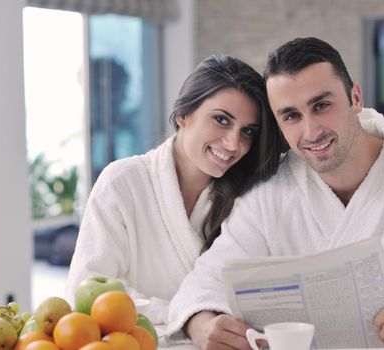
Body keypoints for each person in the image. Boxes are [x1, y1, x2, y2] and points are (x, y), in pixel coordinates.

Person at [166, 38, 384, 350]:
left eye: (321, 106)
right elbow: (203, 284)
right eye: (291, 116)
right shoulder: (270, 194)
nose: (311, 131)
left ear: (355, 98)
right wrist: (203, 325)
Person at [64, 55, 283, 328]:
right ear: (183, 115)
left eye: (248, 131)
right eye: (221, 120)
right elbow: (86, 294)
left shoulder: (247, 195)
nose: (233, 143)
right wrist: (186, 316)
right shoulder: (122, 183)